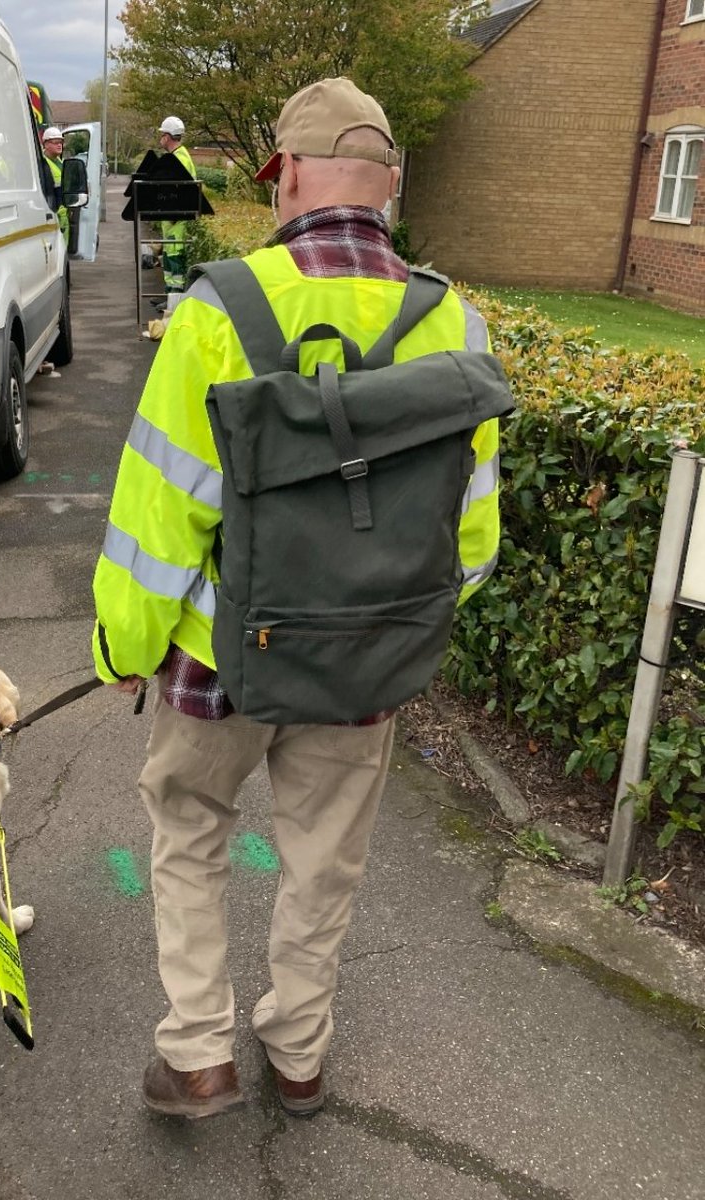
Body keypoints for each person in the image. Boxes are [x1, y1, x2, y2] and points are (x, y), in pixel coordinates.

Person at [91, 78, 502, 1120]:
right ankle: (298, 1056)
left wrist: (123, 646)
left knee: (188, 836)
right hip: (361, 661)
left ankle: (196, 1057)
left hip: (216, 654)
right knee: (324, 861)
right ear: (391, 189)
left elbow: (158, 512)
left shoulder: (218, 306)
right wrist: (384, 622)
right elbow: (469, 536)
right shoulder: (456, 320)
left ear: (281, 181)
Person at [157, 115, 197, 296]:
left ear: (167, 136)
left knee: (175, 259)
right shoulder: (177, 156)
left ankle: (175, 299)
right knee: (169, 258)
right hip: (172, 219)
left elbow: (179, 189)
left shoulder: (179, 159)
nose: (160, 139)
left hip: (176, 220)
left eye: (162, 135)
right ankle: (169, 297)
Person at [41, 126, 69, 245]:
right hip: (53, 215)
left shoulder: (60, 162)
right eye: (55, 142)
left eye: (61, 142)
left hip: (63, 215)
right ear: (46, 144)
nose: (59, 145)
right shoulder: (43, 164)